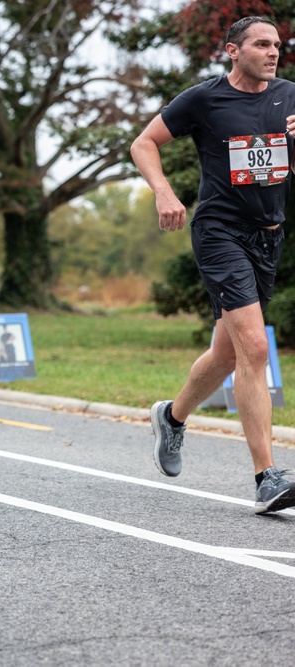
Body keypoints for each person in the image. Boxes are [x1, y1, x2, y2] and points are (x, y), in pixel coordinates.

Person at [130, 15, 295, 514]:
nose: (273, 52)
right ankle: (267, 477)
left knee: (227, 356)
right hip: (220, 233)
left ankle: (172, 417)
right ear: (232, 50)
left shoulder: (290, 96)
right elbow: (143, 143)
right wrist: (164, 191)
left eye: (278, 45)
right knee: (253, 346)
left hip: (269, 237)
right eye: (262, 44)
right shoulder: (205, 99)